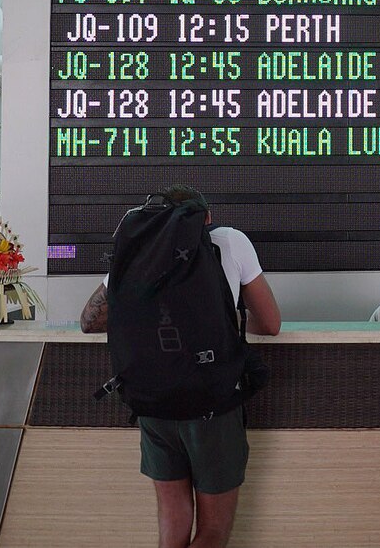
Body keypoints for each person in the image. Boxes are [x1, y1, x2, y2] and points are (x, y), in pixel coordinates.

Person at [80, 184, 281, 548]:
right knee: (213, 532)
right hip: (212, 406)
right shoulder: (229, 241)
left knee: (172, 529)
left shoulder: (140, 251)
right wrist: (228, 322)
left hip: (152, 404)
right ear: (206, 217)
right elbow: (270, 323)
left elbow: (89, 321)